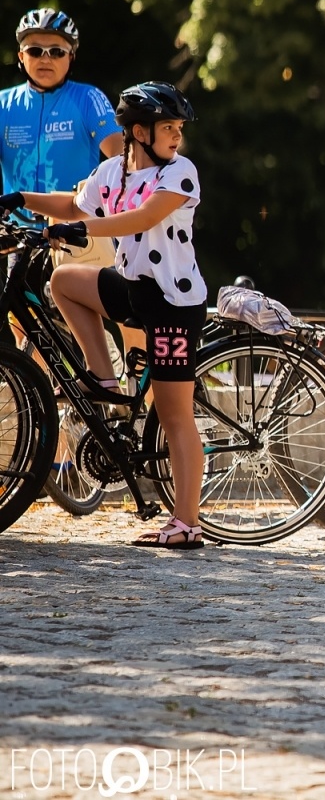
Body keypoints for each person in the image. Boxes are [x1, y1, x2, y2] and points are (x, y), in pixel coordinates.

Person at [0, 83, 206, 547]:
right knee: (65, 281)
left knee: (174, 416)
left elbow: (139, 218)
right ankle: (103, 377)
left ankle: (187, 522)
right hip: (133, 289)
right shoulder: (114, 170)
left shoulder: (180, 173)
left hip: (172, 303)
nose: (177, 136)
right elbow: (74, 203)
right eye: (168, 128)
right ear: (139, 131)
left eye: (177, 128)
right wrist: (21, 199)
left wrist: (77, 229)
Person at [2, 8, 122, 266]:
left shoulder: (88, 98)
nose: (46, 59)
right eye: (35, 51)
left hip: (76, 236)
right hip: (20, 238)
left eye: (56, 52)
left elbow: (123, 158)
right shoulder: (4, 105)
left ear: (71, 57)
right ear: (21, 56)